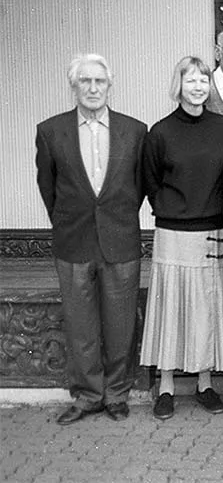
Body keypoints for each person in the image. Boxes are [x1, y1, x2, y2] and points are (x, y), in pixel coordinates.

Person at [35, 54, 146, 424]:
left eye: (100, 81)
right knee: (80, 324)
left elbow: (138, 187)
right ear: (74, 86)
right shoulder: (51, 131)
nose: (93, 88)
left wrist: (117, 217)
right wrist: (70, 220)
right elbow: (48, 187)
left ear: (110, 85)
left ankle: (116, 394)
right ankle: (87, 396)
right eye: (85, 81)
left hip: (120, 238)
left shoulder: (135, 131)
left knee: (120, 324)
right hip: (73, 241)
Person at [140, 57, 223, 420]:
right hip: (173, 233)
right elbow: (150, 182)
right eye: (191, 80)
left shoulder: (222, 127)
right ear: (178, 86)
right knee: (171, 308)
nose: (197, 87)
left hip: (212, 230)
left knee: (206, 309)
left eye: (203, 80)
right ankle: (166, 386)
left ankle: (204, 383)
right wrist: (172, 209)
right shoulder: (160, 132)